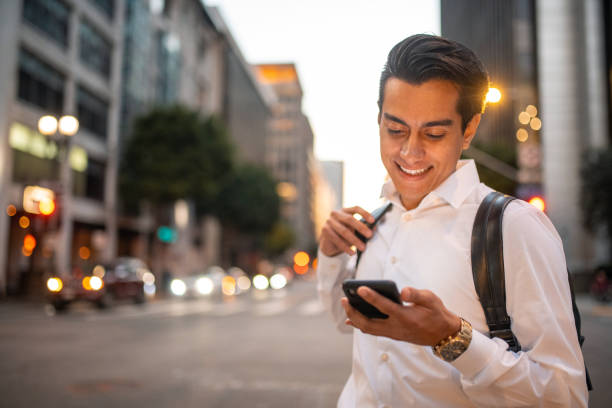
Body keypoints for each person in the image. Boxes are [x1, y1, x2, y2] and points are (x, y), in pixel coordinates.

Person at [317, 34, 588, 407]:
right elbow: (348, 322)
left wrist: (454, 339)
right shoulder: (377, 221)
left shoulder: (513, 227)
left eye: (434, 133)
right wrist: (331, 256)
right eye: (395, 129)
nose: (410, 151)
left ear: (469, 130)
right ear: (378, 118)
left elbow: (565, 395)